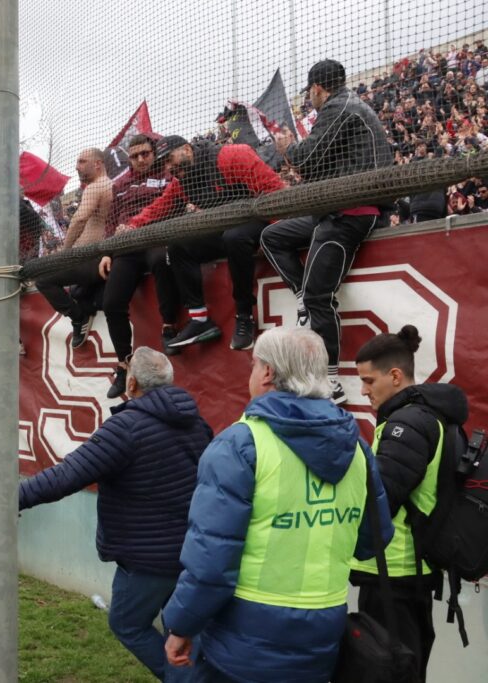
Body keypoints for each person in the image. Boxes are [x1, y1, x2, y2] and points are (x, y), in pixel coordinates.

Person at [162, 327, 394, 682]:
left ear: (268, 373)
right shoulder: (357, 448)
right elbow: (372, 541)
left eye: (254, 365)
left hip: (245, 640)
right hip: (323, 633)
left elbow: (211, 562)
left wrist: (180, 625)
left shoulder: (241, 445)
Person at [19, 346, 211, 680]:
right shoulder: (196, 422)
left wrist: (9, 500)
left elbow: (67, 475)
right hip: (191, 551)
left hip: (148, 558)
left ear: (132, 383)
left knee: (127, 623)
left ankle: (184, 679)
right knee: (180, 629)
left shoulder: (126, 428)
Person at [262, 58, 393, 404]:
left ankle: (330, 381)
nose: (310, 98)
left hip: (350, 212)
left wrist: (287, 148)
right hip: (336, 208)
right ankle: (302, 297)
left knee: (319, 297)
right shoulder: (347, 105)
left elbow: (305, 159)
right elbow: (317, 166)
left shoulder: (338, 106)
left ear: (318, 88)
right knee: (272, 236)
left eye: (310, 92)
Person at [350, 326, 467, 680]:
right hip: (409, 570)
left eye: (369, 381)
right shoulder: (426, 416)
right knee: (405, 668)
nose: (363, 390)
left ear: (396, 376)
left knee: (388, 670)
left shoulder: (407, 423)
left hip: (393, 573)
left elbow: (380, 500)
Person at [116, 135, 285, 353]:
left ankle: (244, 316)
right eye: (164, 163)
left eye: (170, 159)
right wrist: (132, 224)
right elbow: (159, 206)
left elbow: (274, 190)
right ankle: (200, 319)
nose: (168, 167)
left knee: (234, 237)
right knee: (178, 244)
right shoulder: (182, 182)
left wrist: (277, 232)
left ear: (187, 149)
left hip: (256, 220)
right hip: (223, 228)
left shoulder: (231, 155)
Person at [99, 135, 181, 399]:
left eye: (145, 153)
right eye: (135, 156)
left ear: (153, 153)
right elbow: (111, 222)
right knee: (111, 301)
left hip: (158, 238)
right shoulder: (120, 185)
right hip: (127, 248)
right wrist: (107, 253)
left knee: (161, 261)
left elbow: (174, 204)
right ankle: (124, 365)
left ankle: (169, 327)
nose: (141, 159)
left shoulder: (168, 175)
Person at [33, 148, 113, 349]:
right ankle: (84, 308)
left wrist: (65, 252)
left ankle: (78, 318)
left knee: (42, 278)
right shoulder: (108, 184)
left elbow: (79, 219)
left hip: (92, 258)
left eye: (82, 161)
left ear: (98, 164)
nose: (77, 167)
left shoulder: (96, 186)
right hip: (94, 256)